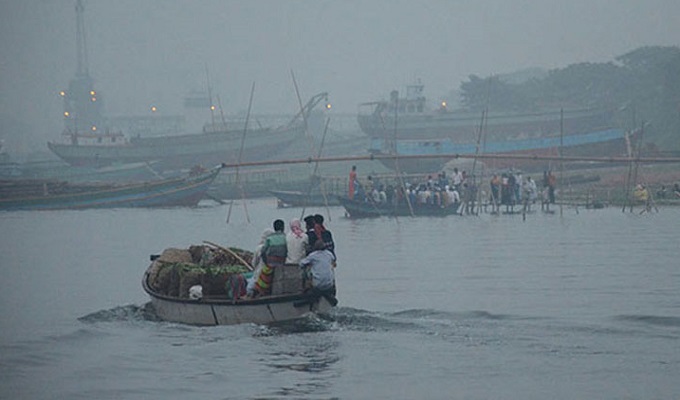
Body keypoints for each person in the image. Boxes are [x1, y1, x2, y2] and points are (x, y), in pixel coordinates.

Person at [253, 219, 287, 296]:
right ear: (283, 228)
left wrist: (267, 263)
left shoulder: (269, 238)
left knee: (264, 275)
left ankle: (260, 291)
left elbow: (263, 252)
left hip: (271, 263)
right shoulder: (285, 237)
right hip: (282, 262)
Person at [246, 228, 274, 297]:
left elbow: (254, 263)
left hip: (260, 276)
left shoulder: (259, 248)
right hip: (272, 276)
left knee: (248, 289)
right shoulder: (274, 248)